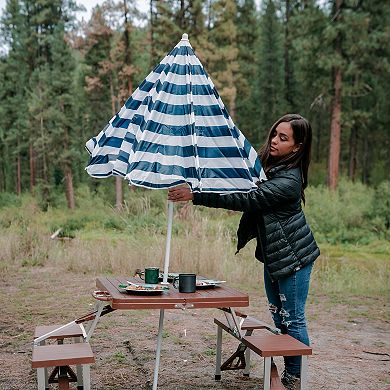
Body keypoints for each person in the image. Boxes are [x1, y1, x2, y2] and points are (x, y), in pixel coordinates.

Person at [168, 113, 320, 390]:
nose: (274, 140)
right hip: (275, 256)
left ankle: (295, 376)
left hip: (295, 258)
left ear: (297, 147)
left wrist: (196, 195)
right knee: (277, 314)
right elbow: (233, 168)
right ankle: (288, 369)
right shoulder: (268, 166)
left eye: (283, 138)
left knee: (293, 317)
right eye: (274, 134)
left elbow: (247, 198)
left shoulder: (289, 181)